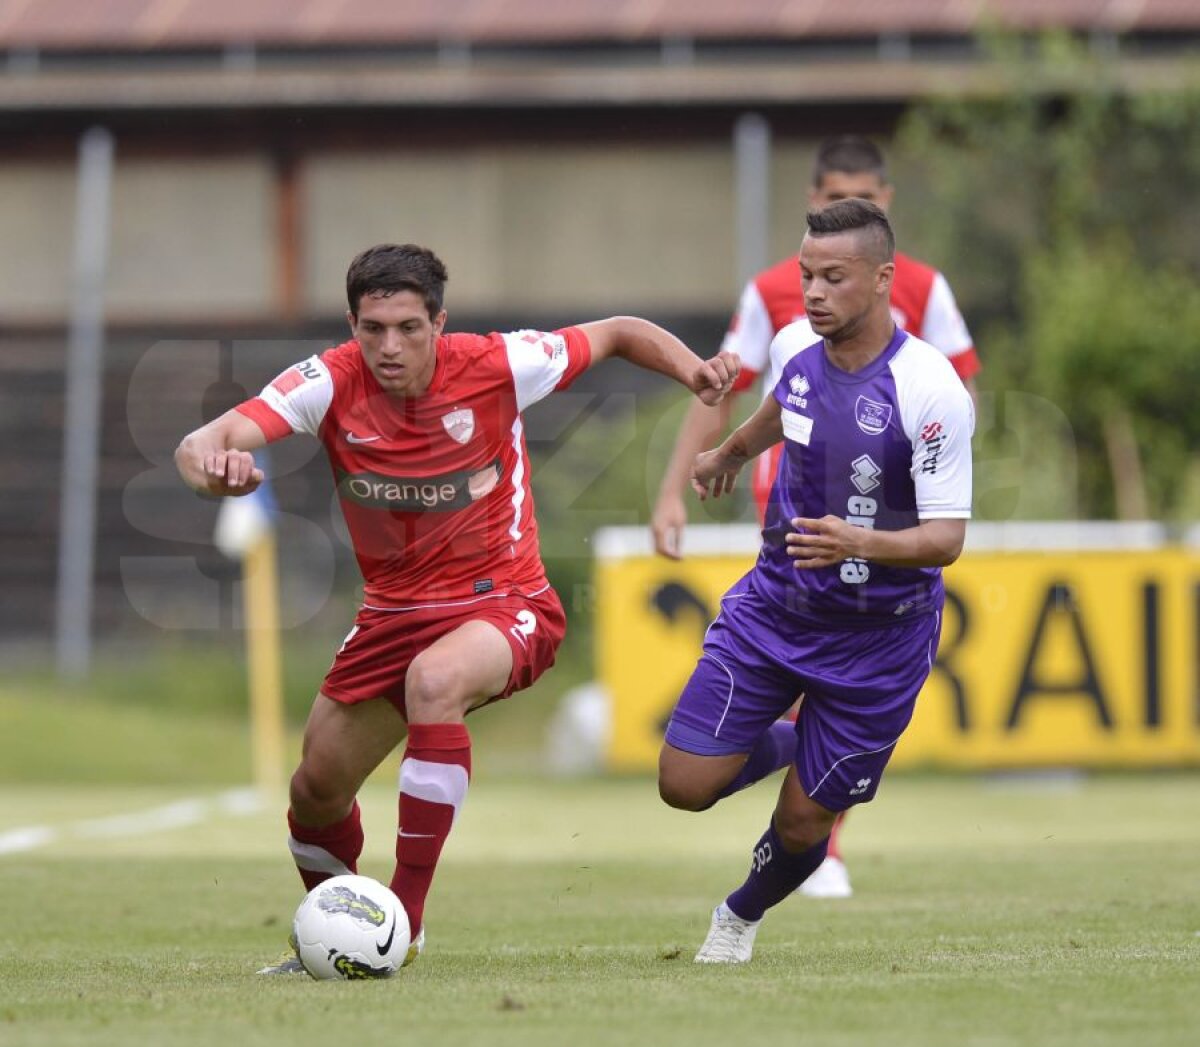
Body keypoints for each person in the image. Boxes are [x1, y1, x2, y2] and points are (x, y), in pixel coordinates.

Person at [174, 243, 740, 973]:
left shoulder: (500, 363)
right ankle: (347, 934)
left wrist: (693, 371)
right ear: (352, 324)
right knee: (315, 790)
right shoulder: (328, 381)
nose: (390, 346)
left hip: (504, 600)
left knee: (434, 681)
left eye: (409, 327)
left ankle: (404, 924)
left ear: (439, 323)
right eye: (373, 328)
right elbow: (201, 443)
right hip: (391, 613)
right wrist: (214, 474)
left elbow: (618, 332)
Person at [650, 135, 980, 899]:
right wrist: (713, 462)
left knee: (811, 801)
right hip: (791, 553)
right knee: (692, 775)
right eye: (808, 275)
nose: (814, 291)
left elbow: (959, 413)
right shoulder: (783, 314)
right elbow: (756, 396)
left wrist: (928, 480)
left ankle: (799, 854)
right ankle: (802, 763)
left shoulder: (927, 327)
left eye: (832, 277)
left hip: (883, 578)